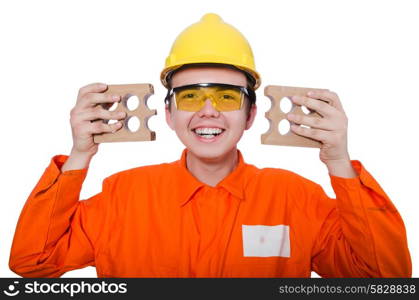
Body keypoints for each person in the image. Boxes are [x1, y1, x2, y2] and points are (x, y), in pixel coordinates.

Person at [9, 13, 411, 278]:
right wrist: (79, 154)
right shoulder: (122, 196)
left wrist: (338, 161)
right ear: (168, 115)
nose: (207, 112)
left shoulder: (295, 198)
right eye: (189, 98)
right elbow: (32, 262)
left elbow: (384, 278)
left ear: (251, 115)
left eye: (225, 97)